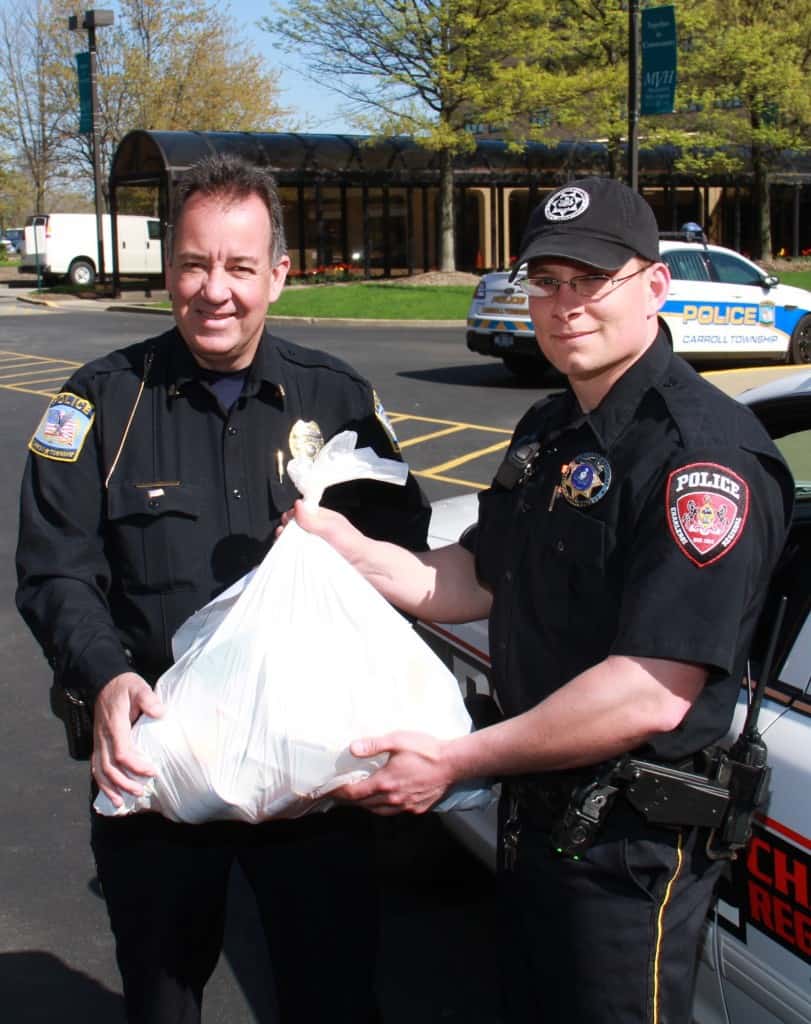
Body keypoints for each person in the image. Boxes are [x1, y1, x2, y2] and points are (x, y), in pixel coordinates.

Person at [286, 176, 795, 1024]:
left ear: (654, 286)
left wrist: (455, 763)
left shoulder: (699, 460)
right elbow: (472, 580)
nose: (565, 305)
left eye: (590, 280)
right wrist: (345, 548)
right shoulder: (548, 431)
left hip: (630, 854)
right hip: (540, 822)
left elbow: (647, 691)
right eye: (546, 282)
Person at [15, 152, 430, 1024]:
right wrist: (105, 679)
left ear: (277, 274)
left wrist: (342, 551)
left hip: (316, 783)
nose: (216, 290)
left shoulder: (340, 399)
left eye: (240, 267)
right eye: (196, 263)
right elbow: (56, 568)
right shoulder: (99, 404)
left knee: (334, 1000)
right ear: (171, 267)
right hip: (160, 771)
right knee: (163, 1001)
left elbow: (405, 550)